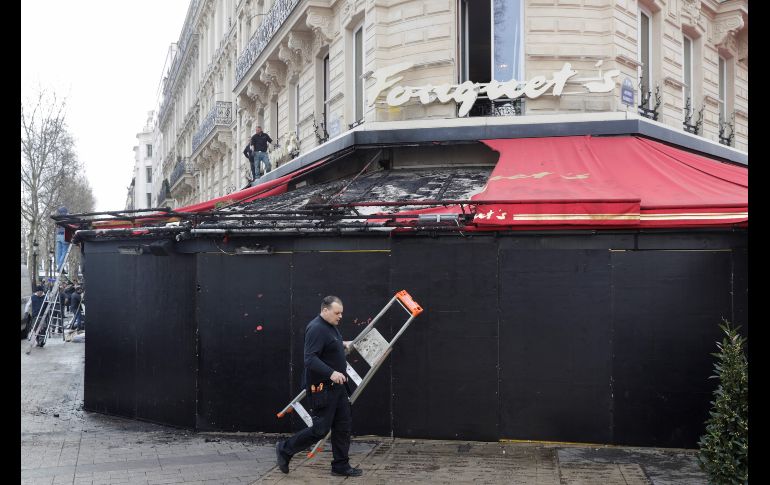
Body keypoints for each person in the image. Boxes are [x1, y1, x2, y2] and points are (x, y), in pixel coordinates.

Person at [275, 296, 362, 477]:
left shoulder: (330, 327)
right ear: (325, 310)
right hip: (323, 388)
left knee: (342, 427)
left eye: (341, 313)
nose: (340, 317)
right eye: (337, 313)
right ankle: (285, 449)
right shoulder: (316, 328)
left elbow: (328, 345)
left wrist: (342, 343)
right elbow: (310, 359)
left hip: (338, 388)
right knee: (320, 430)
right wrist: (332, 373)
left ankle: (340, 465)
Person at [54, 206, 69, 271]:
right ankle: (60, 267)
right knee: (64, 252)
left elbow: (57, 226)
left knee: (59, 252)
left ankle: (58, 265)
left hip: (58, 236)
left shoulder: (58, 218)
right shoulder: (67, 218)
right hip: (64, 235)